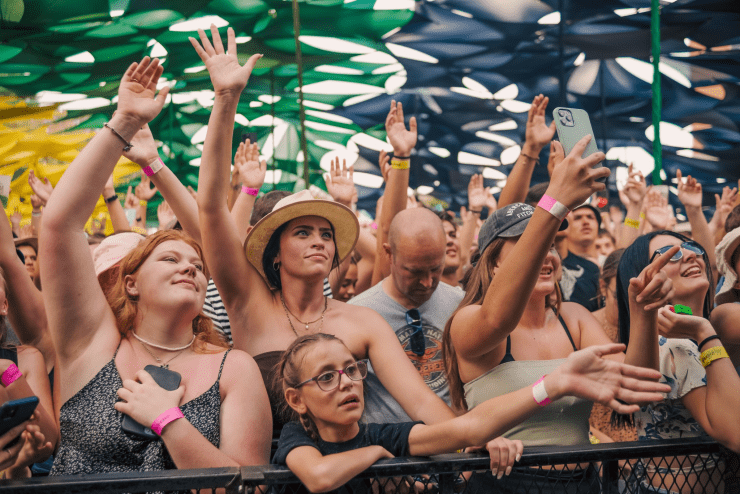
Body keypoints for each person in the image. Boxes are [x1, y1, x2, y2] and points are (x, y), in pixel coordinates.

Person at [192, 25, 461, 440]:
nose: (319, 240)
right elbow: (209, 207)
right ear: (275, 251)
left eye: (326, 233)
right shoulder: (246, 302)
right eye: (302, 232)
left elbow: (422, 403)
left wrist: (472, 438)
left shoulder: (363, 322)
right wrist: (226, 100)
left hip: (352, 476)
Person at [41, 56, 271, 476]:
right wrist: (124, 122)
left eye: (199, 266)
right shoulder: (92, 344)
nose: (192, 269)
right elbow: (60, 226)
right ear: (130, 283)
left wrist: (169, 422)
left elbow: (249, 487)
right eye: (170, 258)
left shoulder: (233, 368)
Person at [443, 135, 674, 492]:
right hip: (508, 484)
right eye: (528, 245)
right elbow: (498, 319)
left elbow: (633, 392)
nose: (546, 254)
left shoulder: (575, 317)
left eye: (551, 245)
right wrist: (556, 199)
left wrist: (642, 313)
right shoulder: (469, 320)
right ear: (492, 265)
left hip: (582, 483)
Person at [273, 333, 670, 494]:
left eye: (351, 369)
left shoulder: (385, 435)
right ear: (296, 399)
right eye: (326, 377)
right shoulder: (298, 438)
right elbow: (319, 476)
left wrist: (554, 384)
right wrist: (374, 456)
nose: (346, 382)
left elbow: (470, 427)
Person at [616, 231, 740, 492]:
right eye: (672, 254)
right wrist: (704, 331)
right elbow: (737, 433)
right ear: (646, 276)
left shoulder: (708, 330)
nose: (692, 254)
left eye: (692, 246)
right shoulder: (674, 346)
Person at [350, 208, 463, 422]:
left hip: (455, 448)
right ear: (389, 253)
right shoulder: (358, 314)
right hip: (391, 450)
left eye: (436, 268)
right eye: (414, 271)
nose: (428, 282)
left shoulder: (461, 304)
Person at [588, 249, 638, 443]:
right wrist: (602, 449)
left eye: (637, 297)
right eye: (620, 297)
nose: (628, 307)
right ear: (603, 287)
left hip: (650, 450)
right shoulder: (580, 327)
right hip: (599, 449)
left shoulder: (660, 326)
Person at [561, 203, 602, 311]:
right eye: (577, 218)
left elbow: (627, 246)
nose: (585, 222)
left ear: (598, 225)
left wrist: (635, 205)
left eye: (590, 217)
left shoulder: (606, 263)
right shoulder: (557, 264)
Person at [438, 211, 463, 287]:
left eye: (453, 235)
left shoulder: (473, 293)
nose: (450, 241)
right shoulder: (424, 298)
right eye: (440, 237)